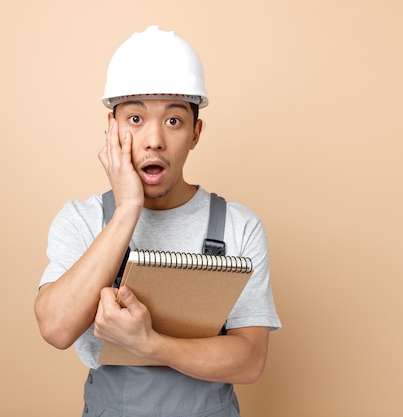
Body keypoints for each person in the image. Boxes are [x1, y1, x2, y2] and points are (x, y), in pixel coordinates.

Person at [34, 25, 281, 417]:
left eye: (173, 121)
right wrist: (127, 209)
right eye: (135, 118)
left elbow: (250, 360)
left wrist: (149, 343)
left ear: (196, 133)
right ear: (111, 128)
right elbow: (56, 328)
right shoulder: (82, 219)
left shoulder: (238, 226)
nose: (153, 140)